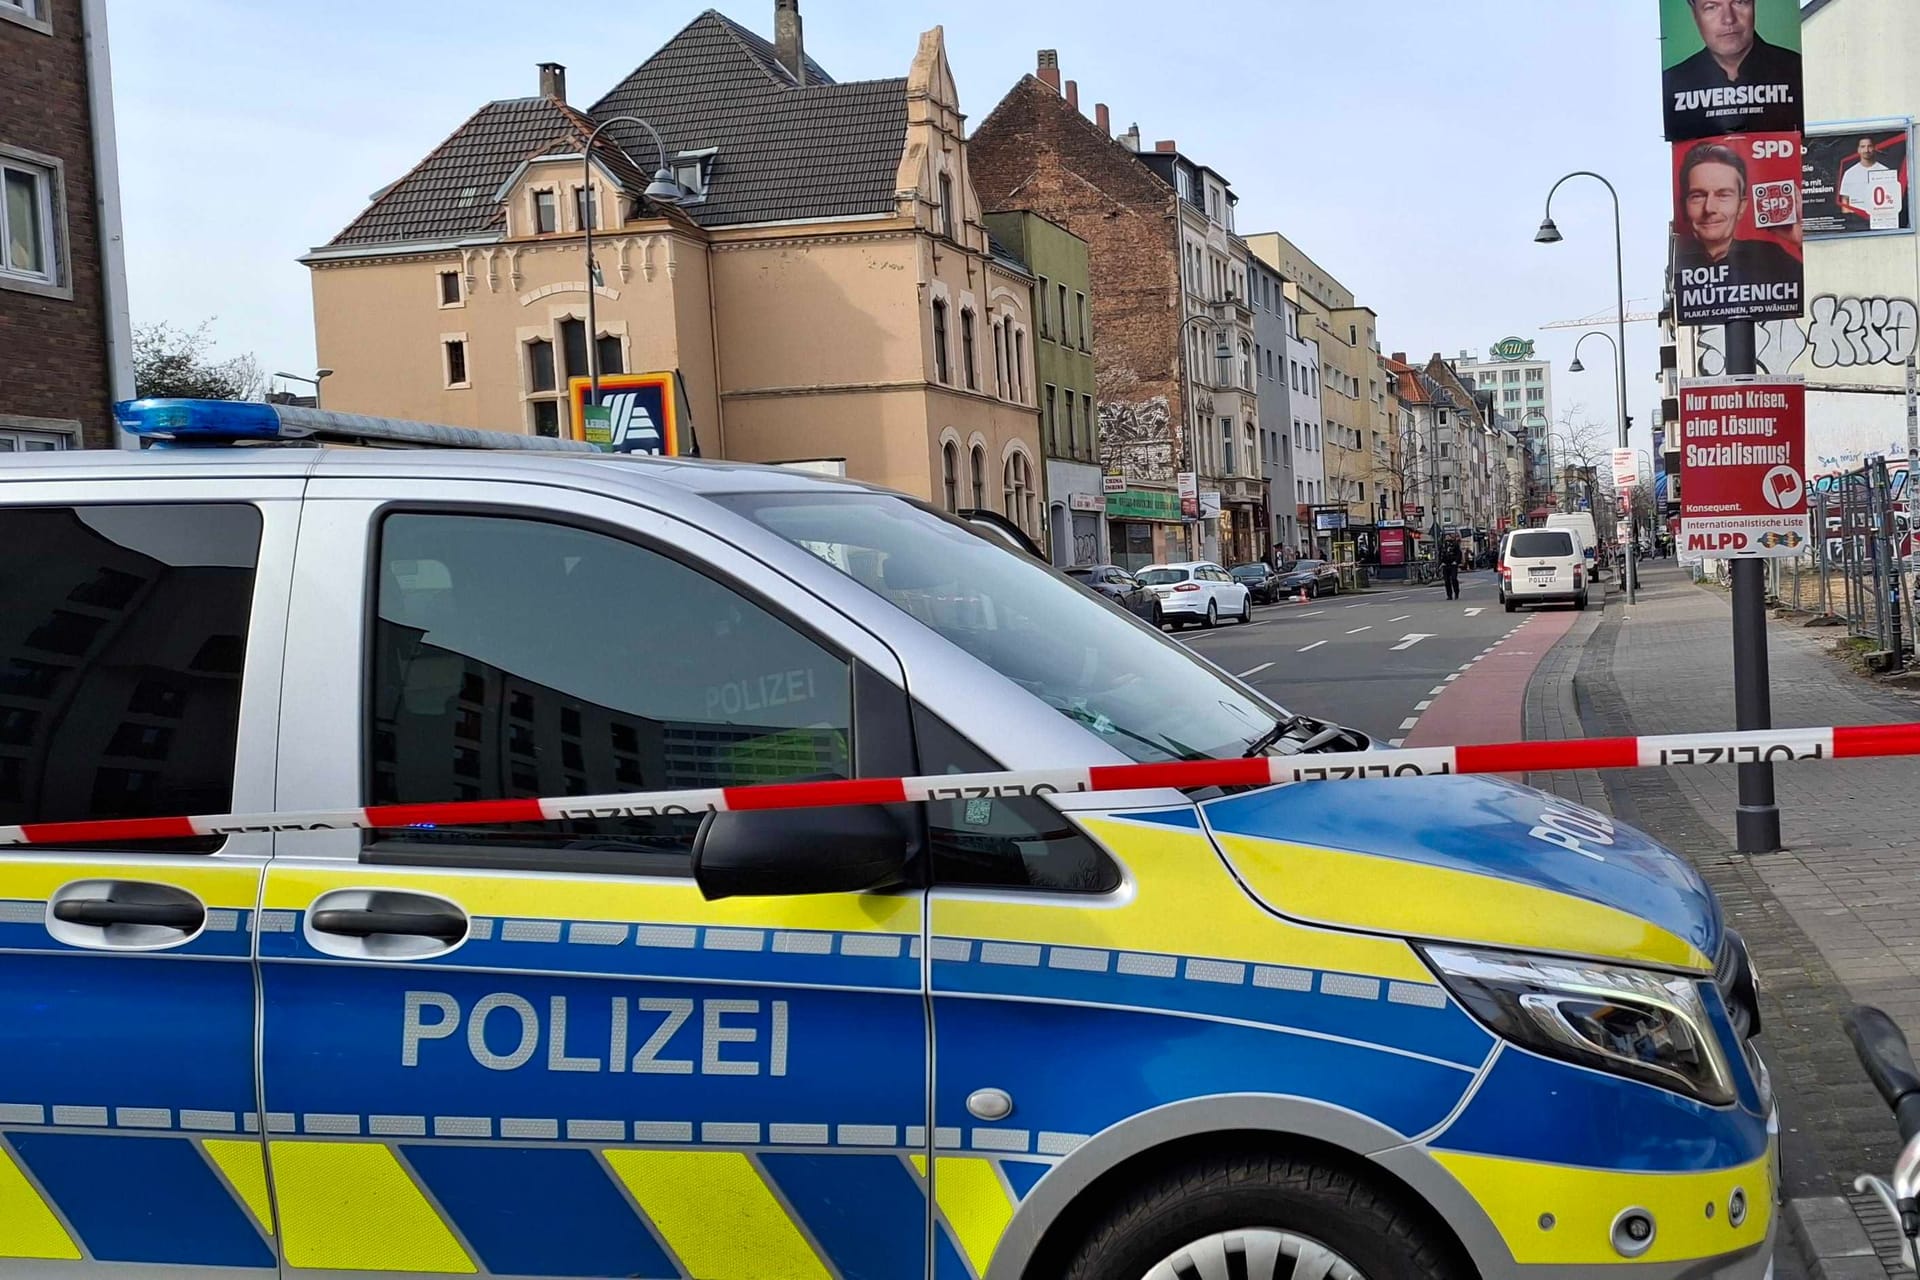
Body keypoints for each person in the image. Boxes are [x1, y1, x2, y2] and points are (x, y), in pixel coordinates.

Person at [1673, 141, 1801, 321]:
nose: (1709, 208)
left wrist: (1799, 240)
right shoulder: (1680, 265)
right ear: (1683, 206)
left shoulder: (1771, 257)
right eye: (1698, 196)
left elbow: (1814, 295)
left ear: (1741, 206)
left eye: (1723, 195)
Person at [1663, 0, 1802, 139]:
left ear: (1754, 4)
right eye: (1711, 7)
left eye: (1739, 2)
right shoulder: (1674, 82)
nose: (1728, 19)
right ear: (1694, 13)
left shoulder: (1795, 70)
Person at [1839, 136, 1904, 227]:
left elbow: (1892, 200)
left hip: (1879, 223)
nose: (1866, 150)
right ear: (1858, 150)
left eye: (1869, 146)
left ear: (1874, 148)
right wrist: (1849, 222)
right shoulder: (1849, 173)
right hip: (1856, 224)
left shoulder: (1885, 171)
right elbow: (1845, 200)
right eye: (1863, 147)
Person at [1440, 535, 1462, 601]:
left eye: (1448, 537)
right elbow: (1440, 554)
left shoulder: (1455, 545)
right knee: (1447, 581)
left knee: (1454, 578)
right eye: (1446, 537)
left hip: (1453, 564)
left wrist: (1456, 561)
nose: (1447, 538)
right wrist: (1441, 562)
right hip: (1445, 564)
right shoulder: (1443, 545)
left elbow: (1459, 554)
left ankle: (1456, 593)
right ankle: (1449, 595)